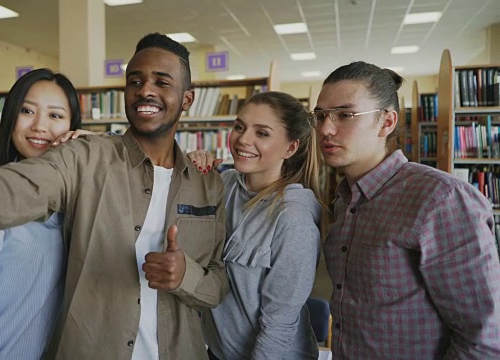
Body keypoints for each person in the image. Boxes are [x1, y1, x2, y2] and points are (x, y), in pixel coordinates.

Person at [0, 32, 227, 360]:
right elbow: (14, 190)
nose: (145, 90)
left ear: (187, 99)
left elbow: (218, 285)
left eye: (162, 82)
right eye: (135, 81)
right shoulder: (86, 157)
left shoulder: (209, 184)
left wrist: (185, 276)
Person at [313, 61, 500, 359]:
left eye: (345, 115)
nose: (326, 128)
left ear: (386, 123)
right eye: (320, 116)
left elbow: (483, 338)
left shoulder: (440, 198)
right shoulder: (344, 199)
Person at [0, 68, 82, 359]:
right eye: (27, 111)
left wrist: (90, 148)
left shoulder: (79, 205)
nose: (39, 126)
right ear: (10, 118)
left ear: (73, 127)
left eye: (56, 116)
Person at [188, 91, 322, 360]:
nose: (243, 139)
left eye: (262, 133)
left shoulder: (293, 219)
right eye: (239, 127)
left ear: (290, 147)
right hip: (218, 351)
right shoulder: (223, 186)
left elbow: (279, 326)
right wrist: (188, 174)